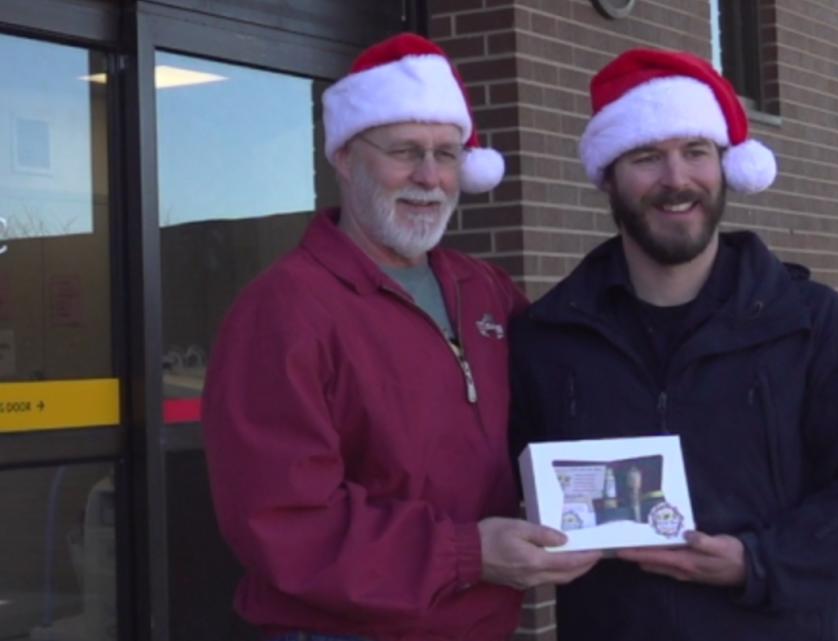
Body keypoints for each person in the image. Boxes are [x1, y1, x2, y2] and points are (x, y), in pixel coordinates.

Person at [508, 48, 838, 640]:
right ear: (608, 175)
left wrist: (758, 562)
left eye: (695, 152)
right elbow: (501, 488)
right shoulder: (549, 337)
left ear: (725, 166)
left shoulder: (818, 327)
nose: (676, 179)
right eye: (646, 157)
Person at [202, 33, 599, 641]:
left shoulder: (483, 289)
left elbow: (560, 404)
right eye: (405, 151)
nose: (430, 176)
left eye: (447, 153)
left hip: (478, 625)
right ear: (344, 157)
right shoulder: (284, 309)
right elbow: (284, 524)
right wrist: (468, 554)